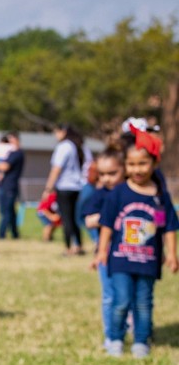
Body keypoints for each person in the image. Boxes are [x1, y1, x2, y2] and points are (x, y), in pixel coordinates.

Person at [93, 128, 177, 358]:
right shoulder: (118, 193)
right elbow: (107, 225)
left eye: (142, 164)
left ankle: (141, 340)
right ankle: (116, 338)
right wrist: (102, 252)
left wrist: (171, 253)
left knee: (143, 303)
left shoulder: (159, 196)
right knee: (120, 301)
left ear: (154, 163)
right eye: (131, 164)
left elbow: (166, 226)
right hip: (120, 259)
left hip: (148, 261)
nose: (136, 169)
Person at [83, 148, 126, 350]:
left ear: (124, 170)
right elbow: (89, 220)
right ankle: (111, 335)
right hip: (106, 252)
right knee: (109, 295)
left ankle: (136, 330)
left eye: (112, 173)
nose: (107, 179)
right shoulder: (100, 195)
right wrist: (109, 216)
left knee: (131, 296)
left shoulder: (131, 193)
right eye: (102, 174)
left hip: (130, 253)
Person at [43, 124, 92, 256]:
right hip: (79, 186)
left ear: (63, 132)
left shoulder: (64, 146)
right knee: (75, 218)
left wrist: (48, 188)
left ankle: (68, 247)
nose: (55, 136)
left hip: (65, 187)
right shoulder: (81, 146)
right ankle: (79, 246)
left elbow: (56, 169)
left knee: (66, 218)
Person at [0, 132, 24, 240]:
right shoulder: (10, 153)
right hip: (5, 185)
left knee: (6, 211)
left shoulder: (17, 153)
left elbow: (4, 167)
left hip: (9, 186)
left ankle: (1, 234)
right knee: (10, 211)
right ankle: (15, 234)